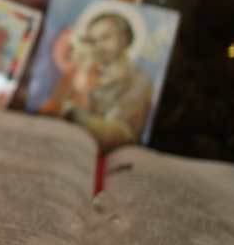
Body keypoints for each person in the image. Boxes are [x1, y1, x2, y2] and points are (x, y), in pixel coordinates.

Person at [39, 11, 153, 150]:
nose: (98, 46)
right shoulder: (83, 70)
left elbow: (125, 133)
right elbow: (52, 109)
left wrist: (75, 114)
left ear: (124, 39)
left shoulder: (138, 80)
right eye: (93, 40)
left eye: (105, 37)